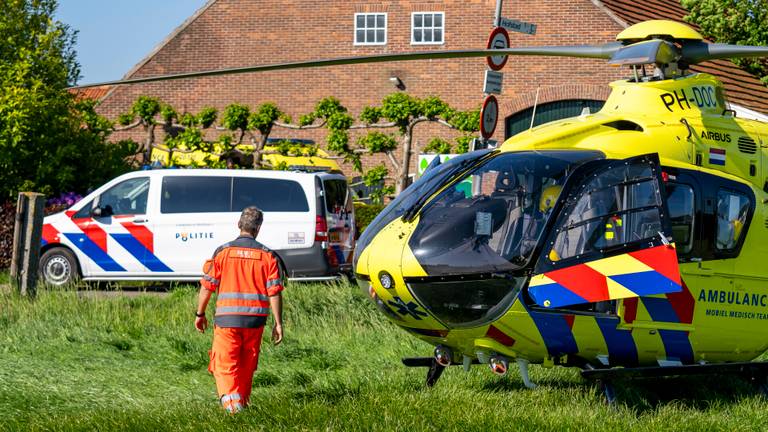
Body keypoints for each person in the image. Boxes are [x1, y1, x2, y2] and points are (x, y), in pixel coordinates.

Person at [194, 206, 284, 414]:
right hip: (255, 322)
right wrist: (278, 324)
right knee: (246, 365)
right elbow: (275, 292)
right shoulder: (267, 255)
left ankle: (233, 408)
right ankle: (241, 405)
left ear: (239, 225)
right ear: (258, 228)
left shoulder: (222, 252)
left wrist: (200, 314)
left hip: (227, 320)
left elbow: (207, 286)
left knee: (225, 364)